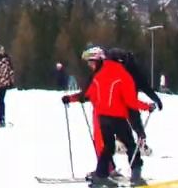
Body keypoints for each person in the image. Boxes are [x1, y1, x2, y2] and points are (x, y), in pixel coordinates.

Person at [64, 45, 152, 187]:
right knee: (130, 145)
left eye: (91, 62)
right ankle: (136, 176)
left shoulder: (98, 76)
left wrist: (70, 98)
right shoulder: (123, 75)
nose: (90, 65)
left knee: (108, 147)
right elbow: (131, 101)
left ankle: (101, 175)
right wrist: (147, 106)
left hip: (103, 118)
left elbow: (86, 95)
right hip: (117, 117)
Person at [106, 48, 163, 155]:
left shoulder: (132, 70)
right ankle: (121, 141)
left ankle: (139, 142)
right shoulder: (112, 69)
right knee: (120, 121)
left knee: (132, 120)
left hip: (129, 101)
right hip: (118, 102)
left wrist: (156, 99)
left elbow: (145, 87)